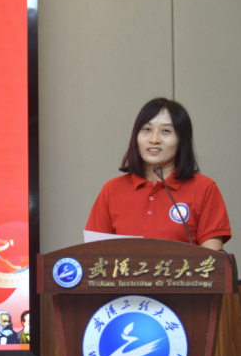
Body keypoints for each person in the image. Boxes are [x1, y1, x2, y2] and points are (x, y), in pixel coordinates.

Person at [86, 98, 231, 249]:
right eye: (146, 130)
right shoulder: (112, 190)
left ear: (182, 141)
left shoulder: (204, 189)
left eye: (166, 131)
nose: (154, 139)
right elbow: (94, 254)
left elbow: (212, 259)